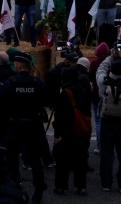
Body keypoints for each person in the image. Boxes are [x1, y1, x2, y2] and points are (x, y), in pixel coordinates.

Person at [0, 53, 47, 204]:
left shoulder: (11, 82)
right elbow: (46, 100)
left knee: (12, 158)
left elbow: (0, 101)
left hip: (15, 124)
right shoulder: (37, 82)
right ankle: (38, 189)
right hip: (33, 124)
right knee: (35, 158)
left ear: (18, 66)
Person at [96, 41, 121, 193]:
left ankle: (106, 183)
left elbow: (101, 69)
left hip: (107, 118)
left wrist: (111, 55)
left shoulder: (103, 82)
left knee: (106, 153)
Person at [52, 68, 91, 196]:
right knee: (80, 158)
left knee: (62, 160)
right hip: (81, 129)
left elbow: (60, 116)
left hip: (67, 130)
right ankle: (81, 186)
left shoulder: (65, 93)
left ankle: (61, 186)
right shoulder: (83, 90)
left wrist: (57, 134)